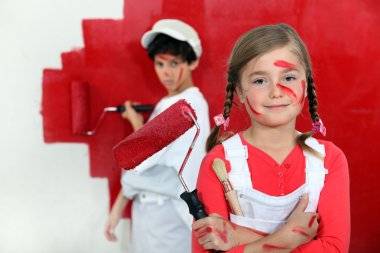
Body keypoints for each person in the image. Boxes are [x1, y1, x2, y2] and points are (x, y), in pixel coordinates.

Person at [192, 23, 350, 252]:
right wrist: (288, 237)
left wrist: (239, 239)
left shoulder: (329, 160)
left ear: (306, 86)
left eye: (288, 78)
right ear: (239, 91)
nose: (276, 91)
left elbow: (334, 248)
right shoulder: (218, 163)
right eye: (259, 81)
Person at [104, 19, 210, 253]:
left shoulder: (187, 107)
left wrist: (134, 124)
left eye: (175, 63)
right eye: (160, 64)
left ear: (193, 62)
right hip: (155, 213)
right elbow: (149, 155)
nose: (167, 73)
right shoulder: (171, 103)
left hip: (167, 217)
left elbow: (140, 158)